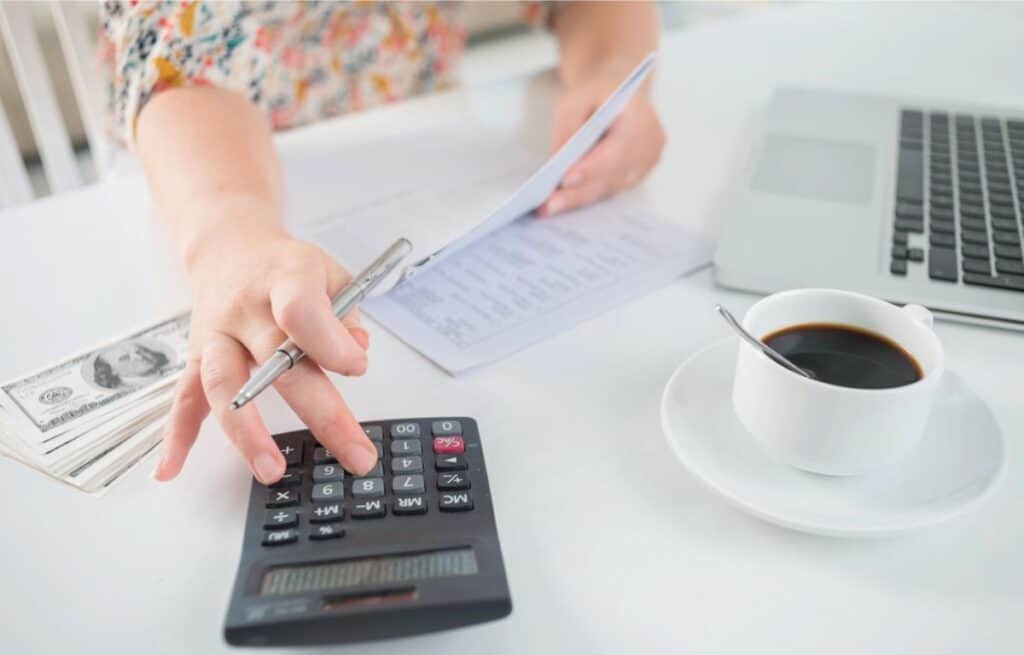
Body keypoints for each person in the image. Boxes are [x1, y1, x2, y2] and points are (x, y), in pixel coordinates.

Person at [103, 1, 664, 485]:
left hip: (423, 148)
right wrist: (227, 237)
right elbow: (177, 65)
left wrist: (612, 75)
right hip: (198, 173)